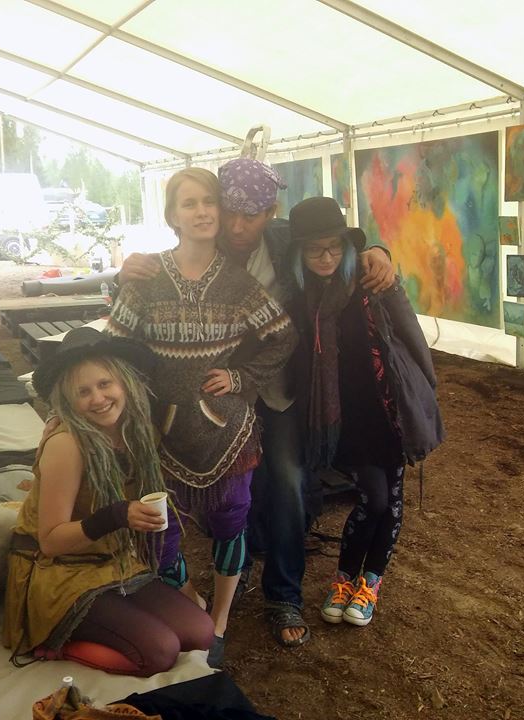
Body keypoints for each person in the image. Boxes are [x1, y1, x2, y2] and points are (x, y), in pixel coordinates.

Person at [121, 158, 395, 648]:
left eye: (251, 215)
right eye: (229, 211)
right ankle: (237, 567)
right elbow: (154, 284)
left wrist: (379, 250)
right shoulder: (204, 241)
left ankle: (283, 594)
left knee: (287, 481)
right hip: (212, 398)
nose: (237, 225)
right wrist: (128, 268)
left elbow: (337, 242)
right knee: (230, 489)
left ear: (270, 213)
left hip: (279, 386)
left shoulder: (286, 238)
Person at [106, 167, 297, 667]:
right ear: (172, 215)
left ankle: (220, 620)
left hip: (227, 432)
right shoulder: (147, 279)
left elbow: (283, 336)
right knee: (161, 533)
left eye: (209, 201)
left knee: (232, 522)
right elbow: (113, 347)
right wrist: (126, 404)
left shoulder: (239, 283)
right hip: (158, 433)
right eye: (189, 203)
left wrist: (241, 378)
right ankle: (190, 599)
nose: (202, 212)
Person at [2, 327, 214, 676]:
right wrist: (117, 515)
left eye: (105, 384)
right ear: (67, 400)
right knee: (159, 653)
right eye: (83, 392)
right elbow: (51, 541)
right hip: (58, 572)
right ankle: (53, 646)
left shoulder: (135, 430)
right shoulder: (67, 445)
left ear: (124, 383)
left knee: (200, 631)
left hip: (110, 560)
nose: (98, 398)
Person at [285, 196, 444, 627]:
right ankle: (344, 579)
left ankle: (368, 582)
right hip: (342, 420)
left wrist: (424, 393)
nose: (327, 257)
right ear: (299, 253)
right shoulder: (299, 298)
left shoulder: (371, 281)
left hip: (388, 409)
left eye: (334, 247)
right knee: (372, 497)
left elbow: (409, 332)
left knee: (390, 499)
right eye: (315, 249)